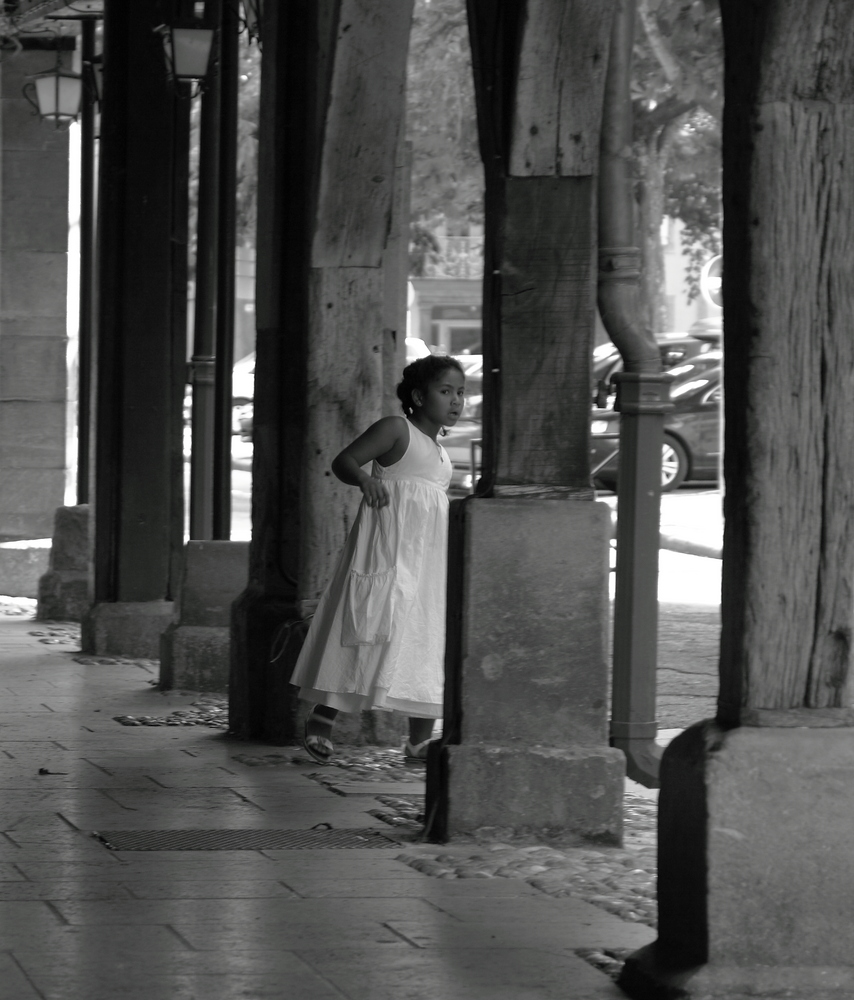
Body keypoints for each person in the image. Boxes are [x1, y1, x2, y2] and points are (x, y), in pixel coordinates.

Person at [290, 354, 466, 764]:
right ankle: (323, 717)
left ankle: (419, 741)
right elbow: (344, 461)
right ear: (419, 396)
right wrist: (366, 480)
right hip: (385, 548)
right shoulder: (396, 430)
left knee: (424, 637)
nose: (456, 401)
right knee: (365, 624)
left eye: (461, 393)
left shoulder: (441, 454)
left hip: (427, 563)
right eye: (446, 391)